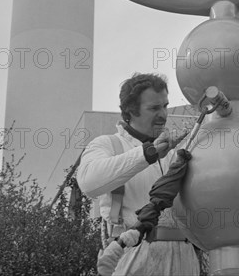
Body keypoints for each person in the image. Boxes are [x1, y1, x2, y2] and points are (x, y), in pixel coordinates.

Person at [77, 73, 200, 276]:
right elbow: (89, 183)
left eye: (165, 106)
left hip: (184, 257)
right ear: (130, 112)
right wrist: (147, 154)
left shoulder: (176, 151)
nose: (163, 114)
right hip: (132, 255)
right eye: (154, 108)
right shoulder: (107, 144)